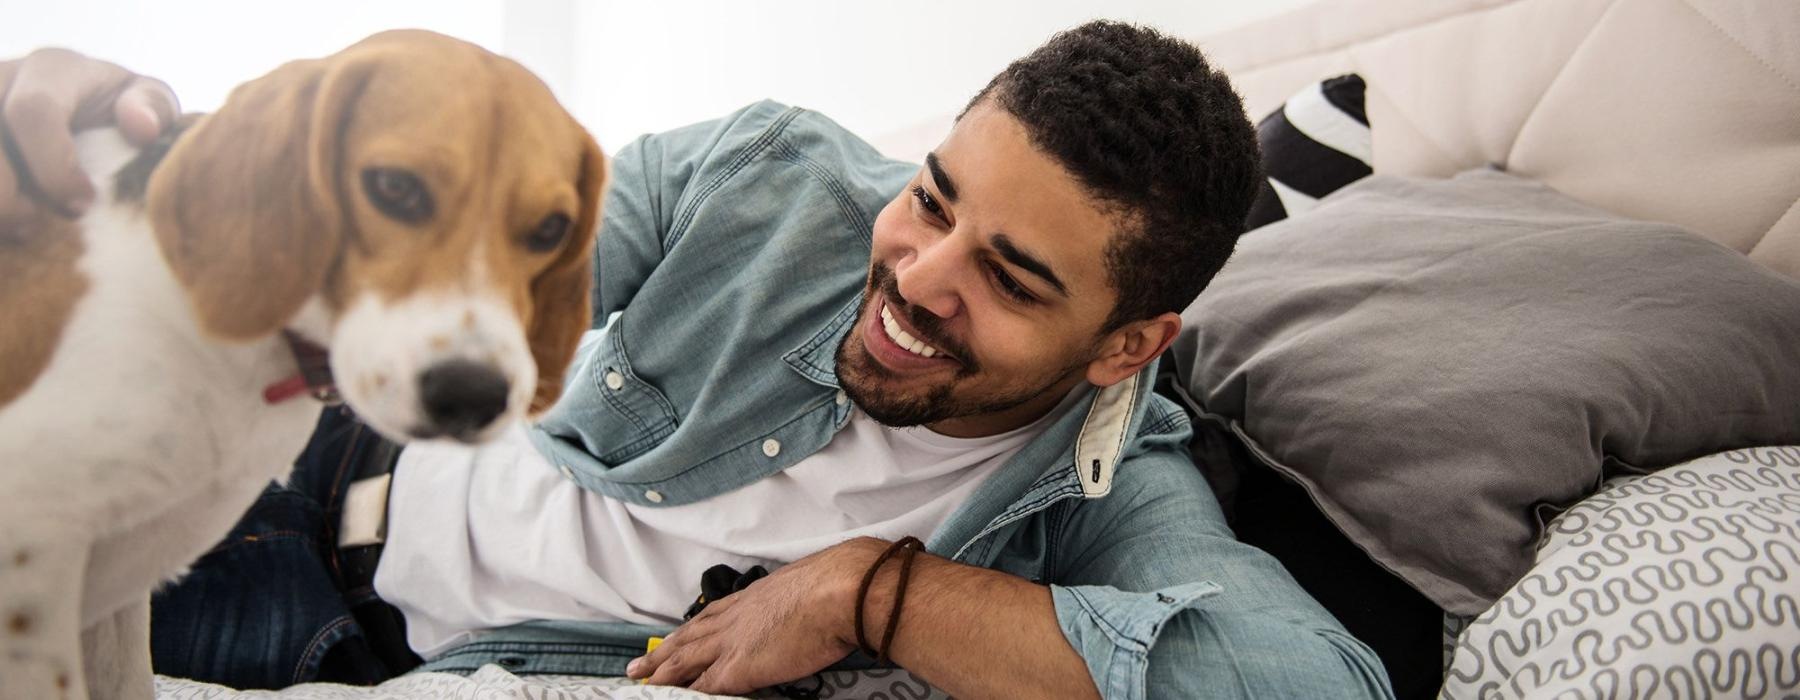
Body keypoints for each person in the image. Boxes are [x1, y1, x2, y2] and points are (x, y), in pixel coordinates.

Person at [1, 21, 1394, 699]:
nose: (917, 276)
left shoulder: (1107, 491)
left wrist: (877, 593)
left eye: (1009, 279)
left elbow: (1312, 686)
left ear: (1126, 346)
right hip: (315, 445)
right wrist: (128, 154)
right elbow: (441, 235)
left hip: (355, 638)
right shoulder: (767, 177)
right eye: (933, 197)